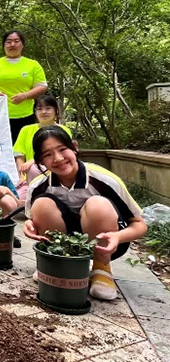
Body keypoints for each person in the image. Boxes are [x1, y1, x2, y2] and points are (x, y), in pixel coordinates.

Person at [23, 126, 147, 301]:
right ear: (40, 160)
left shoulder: (104, 179)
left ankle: (101, 269)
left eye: (62, 149)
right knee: (42, 204)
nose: (58, 158)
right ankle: (55, 261)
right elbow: (31, 218)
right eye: (48, 154)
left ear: (74, 147)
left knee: (98, 205)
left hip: (106, 242)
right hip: (63, 239)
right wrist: (30, 224)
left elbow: (140, 225)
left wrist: (117, 237)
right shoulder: (38, 185)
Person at [0, 30, 48, 142]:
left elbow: (42, 87)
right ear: (4, 45)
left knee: (24, 146)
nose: (12, 45)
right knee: (0, 146)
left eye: (16, 41)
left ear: (22, 45)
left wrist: (25, 95)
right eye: (8, 42)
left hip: (25, 115)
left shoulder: (33, 65)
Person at [13, 94, 72, 203]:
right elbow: (20, 156)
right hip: (30, 177)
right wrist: (22, 177)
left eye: (48, 108)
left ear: (56, 111)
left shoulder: (63, 130)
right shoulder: (26, 130)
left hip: (56, 172)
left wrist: (33, 161)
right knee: (17, 200)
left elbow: (66, 153)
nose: (44, 112)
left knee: (34, 169)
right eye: (39, 109)